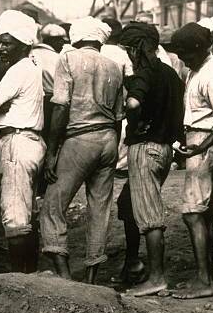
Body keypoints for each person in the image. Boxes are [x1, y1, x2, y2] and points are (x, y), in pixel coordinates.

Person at [40, 16, 123, 284]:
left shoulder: (68, 59)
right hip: (108, 138)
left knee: (54, 205)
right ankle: (91, 277)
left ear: (76, 37)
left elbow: (61, 106)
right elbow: (119, 116)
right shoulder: (114, 66)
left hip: (79, 139)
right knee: (100, 208)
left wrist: (52, 152)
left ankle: (64, 277)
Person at [114, 22, 185, 295]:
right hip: (164, 149)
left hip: (145, 148)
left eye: (130, 50)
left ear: (136, 48)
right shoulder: (171, 73)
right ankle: (133, 265)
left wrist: (133, 117)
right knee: (128, 203)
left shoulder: (145, 72)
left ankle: (157, 278)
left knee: (150, 216)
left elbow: (133, 103)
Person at [169, 22, 213, 299]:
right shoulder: (198, 69)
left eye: (185, 53)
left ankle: (204, 280)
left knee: (192, 212)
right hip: (199, 141)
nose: (181, 58)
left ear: (199, 49)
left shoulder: (211, 74)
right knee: (205, 211)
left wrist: (199, 149)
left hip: (204, 143)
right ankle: (206, 275)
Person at [0, 10, 45, 273]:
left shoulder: (18, 71)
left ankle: (21, 280)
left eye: (7, 43)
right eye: (0, 41)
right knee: (26, 213)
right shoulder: (30, 66)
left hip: (16, 142)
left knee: (15, 216)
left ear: (23, 43)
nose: (0, 48)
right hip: (30, 141)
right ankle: (31, 274)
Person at [100, 17, 134, 176]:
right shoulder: (124, 55)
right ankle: (117, 166)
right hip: (117, 104)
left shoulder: (96, 51)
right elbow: (129, 81)